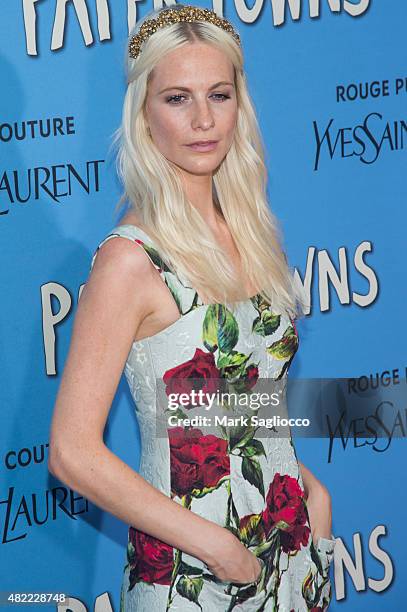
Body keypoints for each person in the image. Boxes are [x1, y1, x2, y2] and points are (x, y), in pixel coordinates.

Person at [48, 5, 336, 611]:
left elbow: (248, 390)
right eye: (178, 98)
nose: (204, 120)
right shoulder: (132, 259)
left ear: (241, 104)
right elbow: (72, 451)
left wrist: (307, 486)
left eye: (220, 95)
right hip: (194, 571)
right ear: (145, 114)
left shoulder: (254, 232)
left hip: (290, 538)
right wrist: (211, 543)